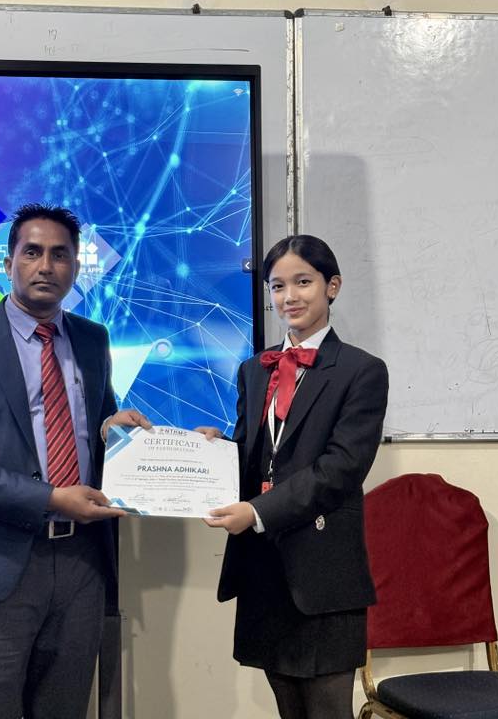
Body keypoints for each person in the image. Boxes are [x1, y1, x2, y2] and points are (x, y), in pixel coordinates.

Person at [0, 202, 150, 719]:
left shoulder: (92, 339)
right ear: (8, 264)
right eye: (32, 253)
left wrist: (120, 433)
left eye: (60, 254)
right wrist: (52, 498)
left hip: (82, 564)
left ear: (75, 267)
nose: (45, 266)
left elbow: (95, 427)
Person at [199, 235, 388, 719]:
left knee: (327, 710)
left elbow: (340, 469)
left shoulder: (362, 370)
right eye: (278, 286)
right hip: (265, 566)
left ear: (332, 286)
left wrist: (257, 512)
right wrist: (214, 451)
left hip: (323, 571)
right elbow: (256, 453)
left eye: (303, 282)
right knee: (288, 708)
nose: (289, 297)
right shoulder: (253, 369)